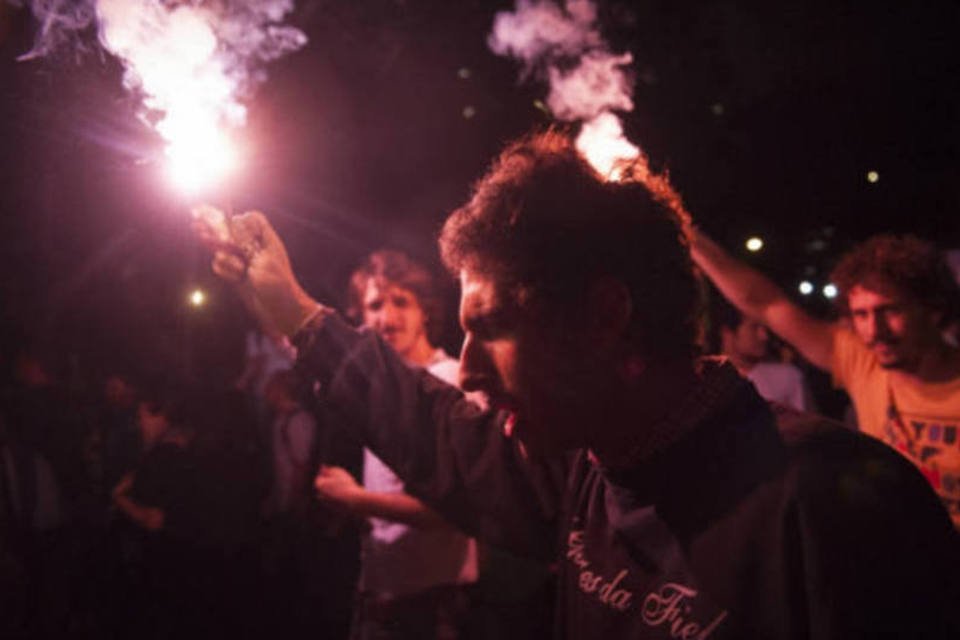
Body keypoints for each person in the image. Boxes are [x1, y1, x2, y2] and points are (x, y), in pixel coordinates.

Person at [194, 131, 959, 638]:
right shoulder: (586, 469)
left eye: (490, 328)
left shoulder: (835, 509)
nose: (465, 369)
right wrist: (295, 314)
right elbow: (436, 431)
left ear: (603, 316)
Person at [691, 230, 960, 527]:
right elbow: (765, 304)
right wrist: (686, 231)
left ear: (932, 310)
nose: (874, 330)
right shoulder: (863, 361)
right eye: (861, 314)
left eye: (890, 310)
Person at [313, 249, 479, 640]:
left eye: (401, 301)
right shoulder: (380, 391)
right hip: (381, 600)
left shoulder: (451, 381)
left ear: (426, 310)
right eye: (374, 305)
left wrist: (355, 500)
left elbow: (455, 511)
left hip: (432, 607)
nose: (387, 317)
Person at [711, 297, 814, 412]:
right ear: (728, 333)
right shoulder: (708, 379)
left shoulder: (787, 377)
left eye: (765, 328)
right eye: (754, 328)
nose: (764, 336)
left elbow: (807, 424)